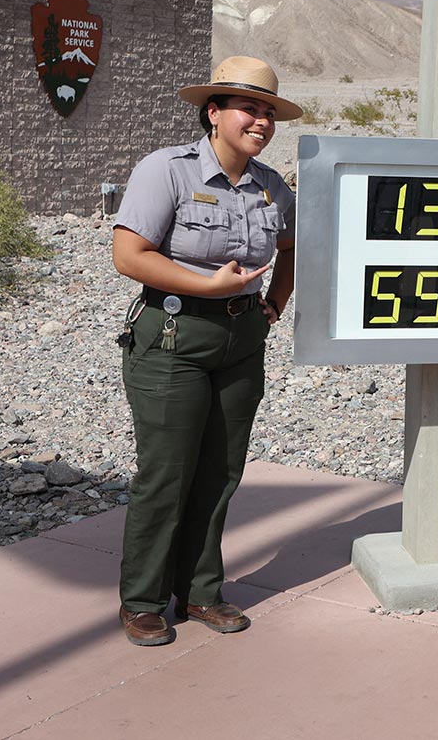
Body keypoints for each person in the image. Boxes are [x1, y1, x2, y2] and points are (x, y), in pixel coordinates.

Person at [111, 56, 299, 646]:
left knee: (221, 471)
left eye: (268, 111)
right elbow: (130, 255)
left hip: (242, 339)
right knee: (167, 473)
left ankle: (199, 592)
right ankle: (142, 599)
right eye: (249, 108)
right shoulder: (165, 170)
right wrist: (209, 286)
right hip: (173, 336)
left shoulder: (272, 185)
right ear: (214, 113)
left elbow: (291, 247)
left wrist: (275, 302)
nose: (261, 121)